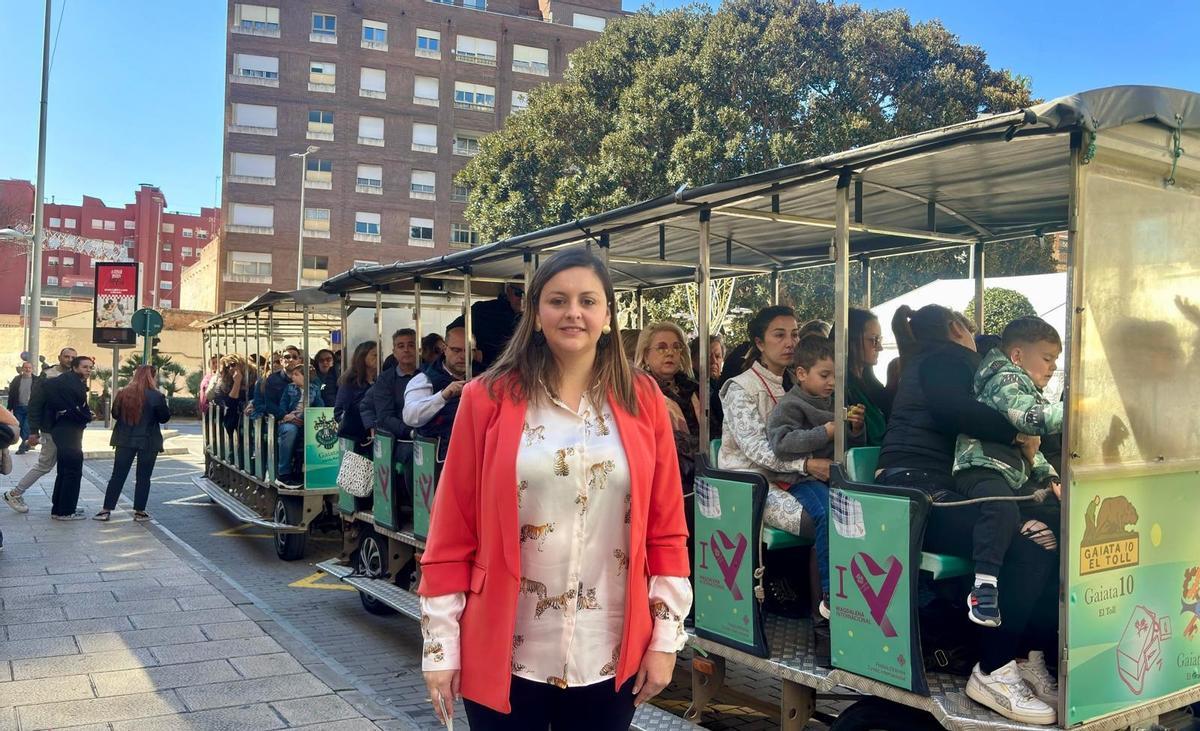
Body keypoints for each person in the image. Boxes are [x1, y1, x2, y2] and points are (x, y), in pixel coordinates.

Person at [419, 246, 690, 730]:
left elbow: (666, 528)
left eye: (588, 301)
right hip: (505, 647)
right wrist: (440, 645)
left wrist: (666, 638)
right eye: (557, 300)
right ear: (535, 312)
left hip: (608, 649)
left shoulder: (643, 398)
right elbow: (451, 529)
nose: (573, 313)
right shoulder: (487, 398)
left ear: (608, 314)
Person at [876, 304, 1056, 726]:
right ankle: (993, 668)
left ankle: (1023, 655)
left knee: (1044, 537)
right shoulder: (946, 355)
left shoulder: (942, 359)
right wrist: (1021, 430)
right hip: (914, 487)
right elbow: (955, 412)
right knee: (1027, 548)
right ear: (958, 328)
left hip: (933, 485)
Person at [952, 317, 1064, 628]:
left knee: (1058, 511)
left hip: (1010, 473)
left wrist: (1050, 478)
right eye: (1047, 358)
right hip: (981, 468)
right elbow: (1030, 420)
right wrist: (1076, 409)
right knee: (1000, 507)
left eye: (1055, 360)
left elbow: (1032, 448)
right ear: (1017, 356)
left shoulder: (1025, 387)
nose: (1053, 367)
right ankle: (984, 585)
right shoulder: (1005, 380)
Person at [766, 336, 865, 615]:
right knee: (826, 513)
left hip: (832, 477)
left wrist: (855, 429)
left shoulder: (834, 403)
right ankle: (830, 592)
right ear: (801, 374)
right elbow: (781, 443)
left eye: (835, 376)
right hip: (801, 480)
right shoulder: (790, 405)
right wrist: (827, 431)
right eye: (824, 375)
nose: (831, 382)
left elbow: (847, 447)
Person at [718, 307, 813, 536]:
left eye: (795, 334)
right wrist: (806, 465)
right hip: (750, 482)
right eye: (780, 335)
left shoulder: (797, 383)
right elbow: (756, 449)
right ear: (760, 343)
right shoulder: (740, 387)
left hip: (792, 477)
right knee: (811, 521)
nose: (790, 342)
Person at [4, 347, 77, 514]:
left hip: (68, 430)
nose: (70, 359)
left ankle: (62, 504)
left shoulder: (75, 375)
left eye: (73, 357)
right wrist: (33, 431)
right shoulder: (47, 376)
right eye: (67, 356)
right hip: (51, 428)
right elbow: (35, 403)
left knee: (65, 466)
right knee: (45, 464)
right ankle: (14, 493)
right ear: (59, 357)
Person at [95, 365, 170, 522]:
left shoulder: (123, 393)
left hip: (124, 439)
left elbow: (114, 414)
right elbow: (164, 418)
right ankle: (139, 511)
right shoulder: (156, 396)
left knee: (117, 475)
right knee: (143, 477)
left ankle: (106, 510)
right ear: (152, 377)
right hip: (149, 440)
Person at [635, 322, 701, 480]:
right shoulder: (640, 391)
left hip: (703, 474)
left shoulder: (696, 389)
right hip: (665, 475)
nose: (670, 353)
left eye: (676, 347)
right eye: (661, 347)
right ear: (645, 355)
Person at [404, 320, 469, 457]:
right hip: (438, 458)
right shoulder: (425, 379)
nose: (463, 356)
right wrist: (442, 396)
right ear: (444, 349)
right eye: (456, 350)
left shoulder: (483, 377)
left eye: (468, 350)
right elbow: (410, 416)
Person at [41, 355, 94, 520]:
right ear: (75, 367)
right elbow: (75, 410)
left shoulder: (62, 381)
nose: (88, 370)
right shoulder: (72, 384)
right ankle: (66, 511)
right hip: (69, 430)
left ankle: (59, 508)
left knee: (64, 470)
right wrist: (87, 416)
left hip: (60, 429)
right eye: (85, 367)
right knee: (72, 470)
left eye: (90, 367)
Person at [845, 308, 891, 446]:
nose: (880, 347)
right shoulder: (838, 389)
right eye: (874, 340)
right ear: (851, 340)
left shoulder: (872, 386)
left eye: (880, 339)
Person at [276, 363, 321, 485]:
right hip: (290, 420)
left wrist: (306, 417)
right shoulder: (289, 388)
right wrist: (287, 416)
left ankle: (308, 471)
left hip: (306, 420)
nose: (292, 377)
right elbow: (283, 405)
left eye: (296, 374)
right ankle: (283, 473)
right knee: (290, 430)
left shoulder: (314, 389)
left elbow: (319, 406)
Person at [335, 341, 379, 460]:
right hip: (356, 438)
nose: (378, 358)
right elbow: (339, 412)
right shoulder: (349, 382)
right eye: (374, 355)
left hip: (378, 435)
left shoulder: (381, 380)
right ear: (363, 357)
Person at [471, 282, 524, 370]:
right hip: (486, 371)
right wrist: (473, 352)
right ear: (509, 291)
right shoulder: (483, 310)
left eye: (527, 295)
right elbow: (456, 330)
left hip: (520, 371)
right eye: (518, 293)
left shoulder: (535, 316)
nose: (522, 299)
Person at [689, 334, 724, 438]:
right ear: (693, 360)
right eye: (708, 357)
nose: (714, 361)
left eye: (718, 356)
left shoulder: (725, 385)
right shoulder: (690, 389)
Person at [8, 361, 35, 453]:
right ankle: (27, 443)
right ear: (22, 369)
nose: (27, 369)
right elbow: (11, 394)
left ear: (32, 369)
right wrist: (9, 407)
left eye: (29, 368)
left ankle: (22, 447)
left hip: (31, 408)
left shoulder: (36, 380)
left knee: (26, 427)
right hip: (18, 407)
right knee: (20, 427)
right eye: (26, 367)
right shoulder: (16, 379)